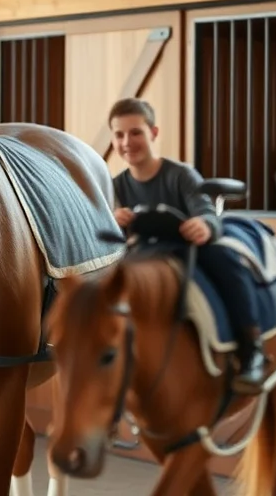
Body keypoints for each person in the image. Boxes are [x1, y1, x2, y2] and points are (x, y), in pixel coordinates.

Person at [107, 97, 266, 395]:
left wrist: (204, 224)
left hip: (188, 248)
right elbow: (101, 232)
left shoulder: (181, 175)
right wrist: (112, 220)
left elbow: (204, 209)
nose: (127, 141)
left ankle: (252, 349)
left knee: (227, 262)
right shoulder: (115, 187)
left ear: (154, 133)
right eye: (119, 135)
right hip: (142, 256)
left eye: (136, 132)